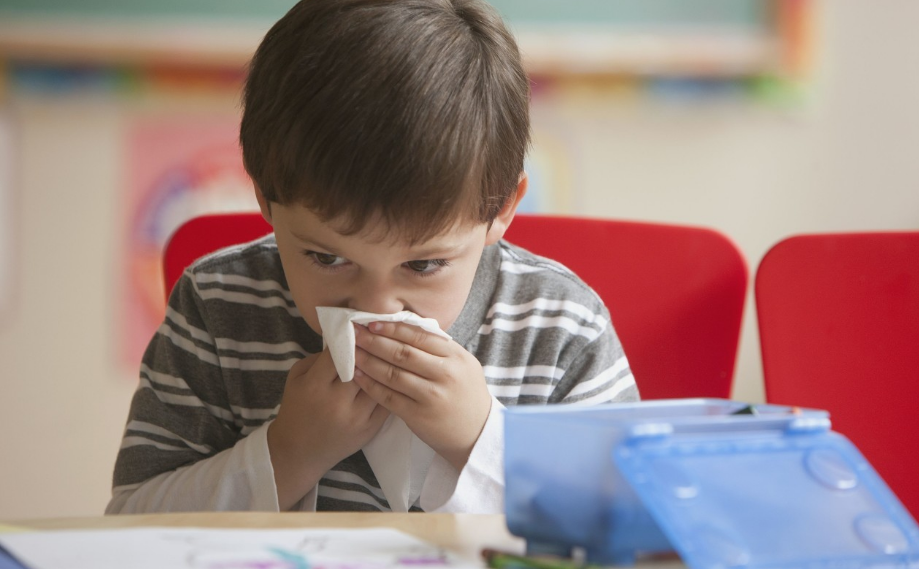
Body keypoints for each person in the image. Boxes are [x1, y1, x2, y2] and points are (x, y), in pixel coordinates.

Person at [106, 0, 638, 515]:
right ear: (265, 197)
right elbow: (132, 524)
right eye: (326, 258)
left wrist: (479, 440)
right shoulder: (218, 309)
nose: (377, 307)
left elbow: (628, 523)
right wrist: (288, 452)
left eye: (423, 265)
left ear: (500, 209)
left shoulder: (562, 328)